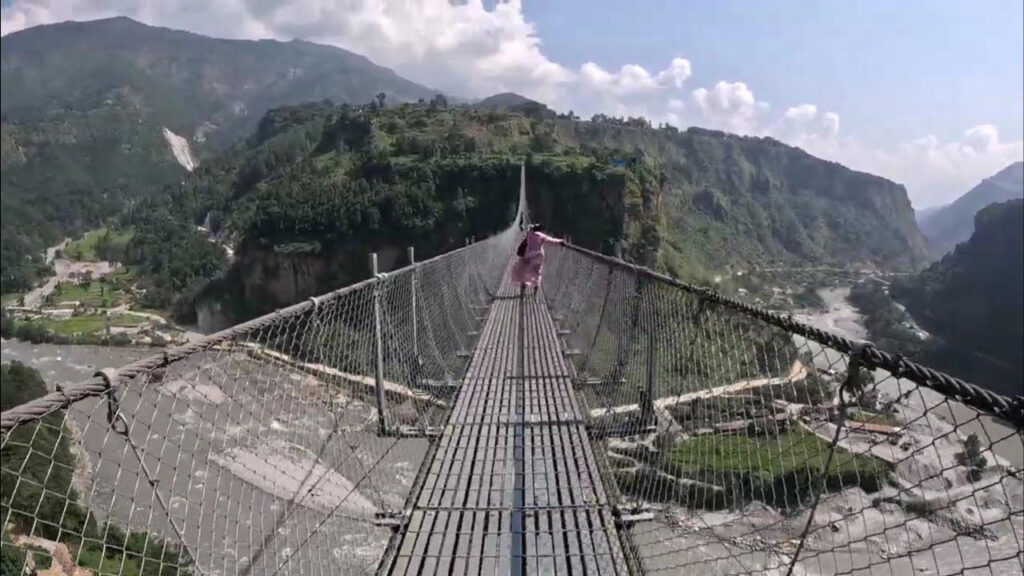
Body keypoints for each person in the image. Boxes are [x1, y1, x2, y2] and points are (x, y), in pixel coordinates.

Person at [511, 223, 564, 296]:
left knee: (524, 273)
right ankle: (534, 294)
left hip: (528, 256)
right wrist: (560, 241)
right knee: (537, 274)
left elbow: (527, 228)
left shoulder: (529, 233)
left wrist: (531, 227)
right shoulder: (542, 236)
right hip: (538, 257)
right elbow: (552, 240)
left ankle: (522, 294)